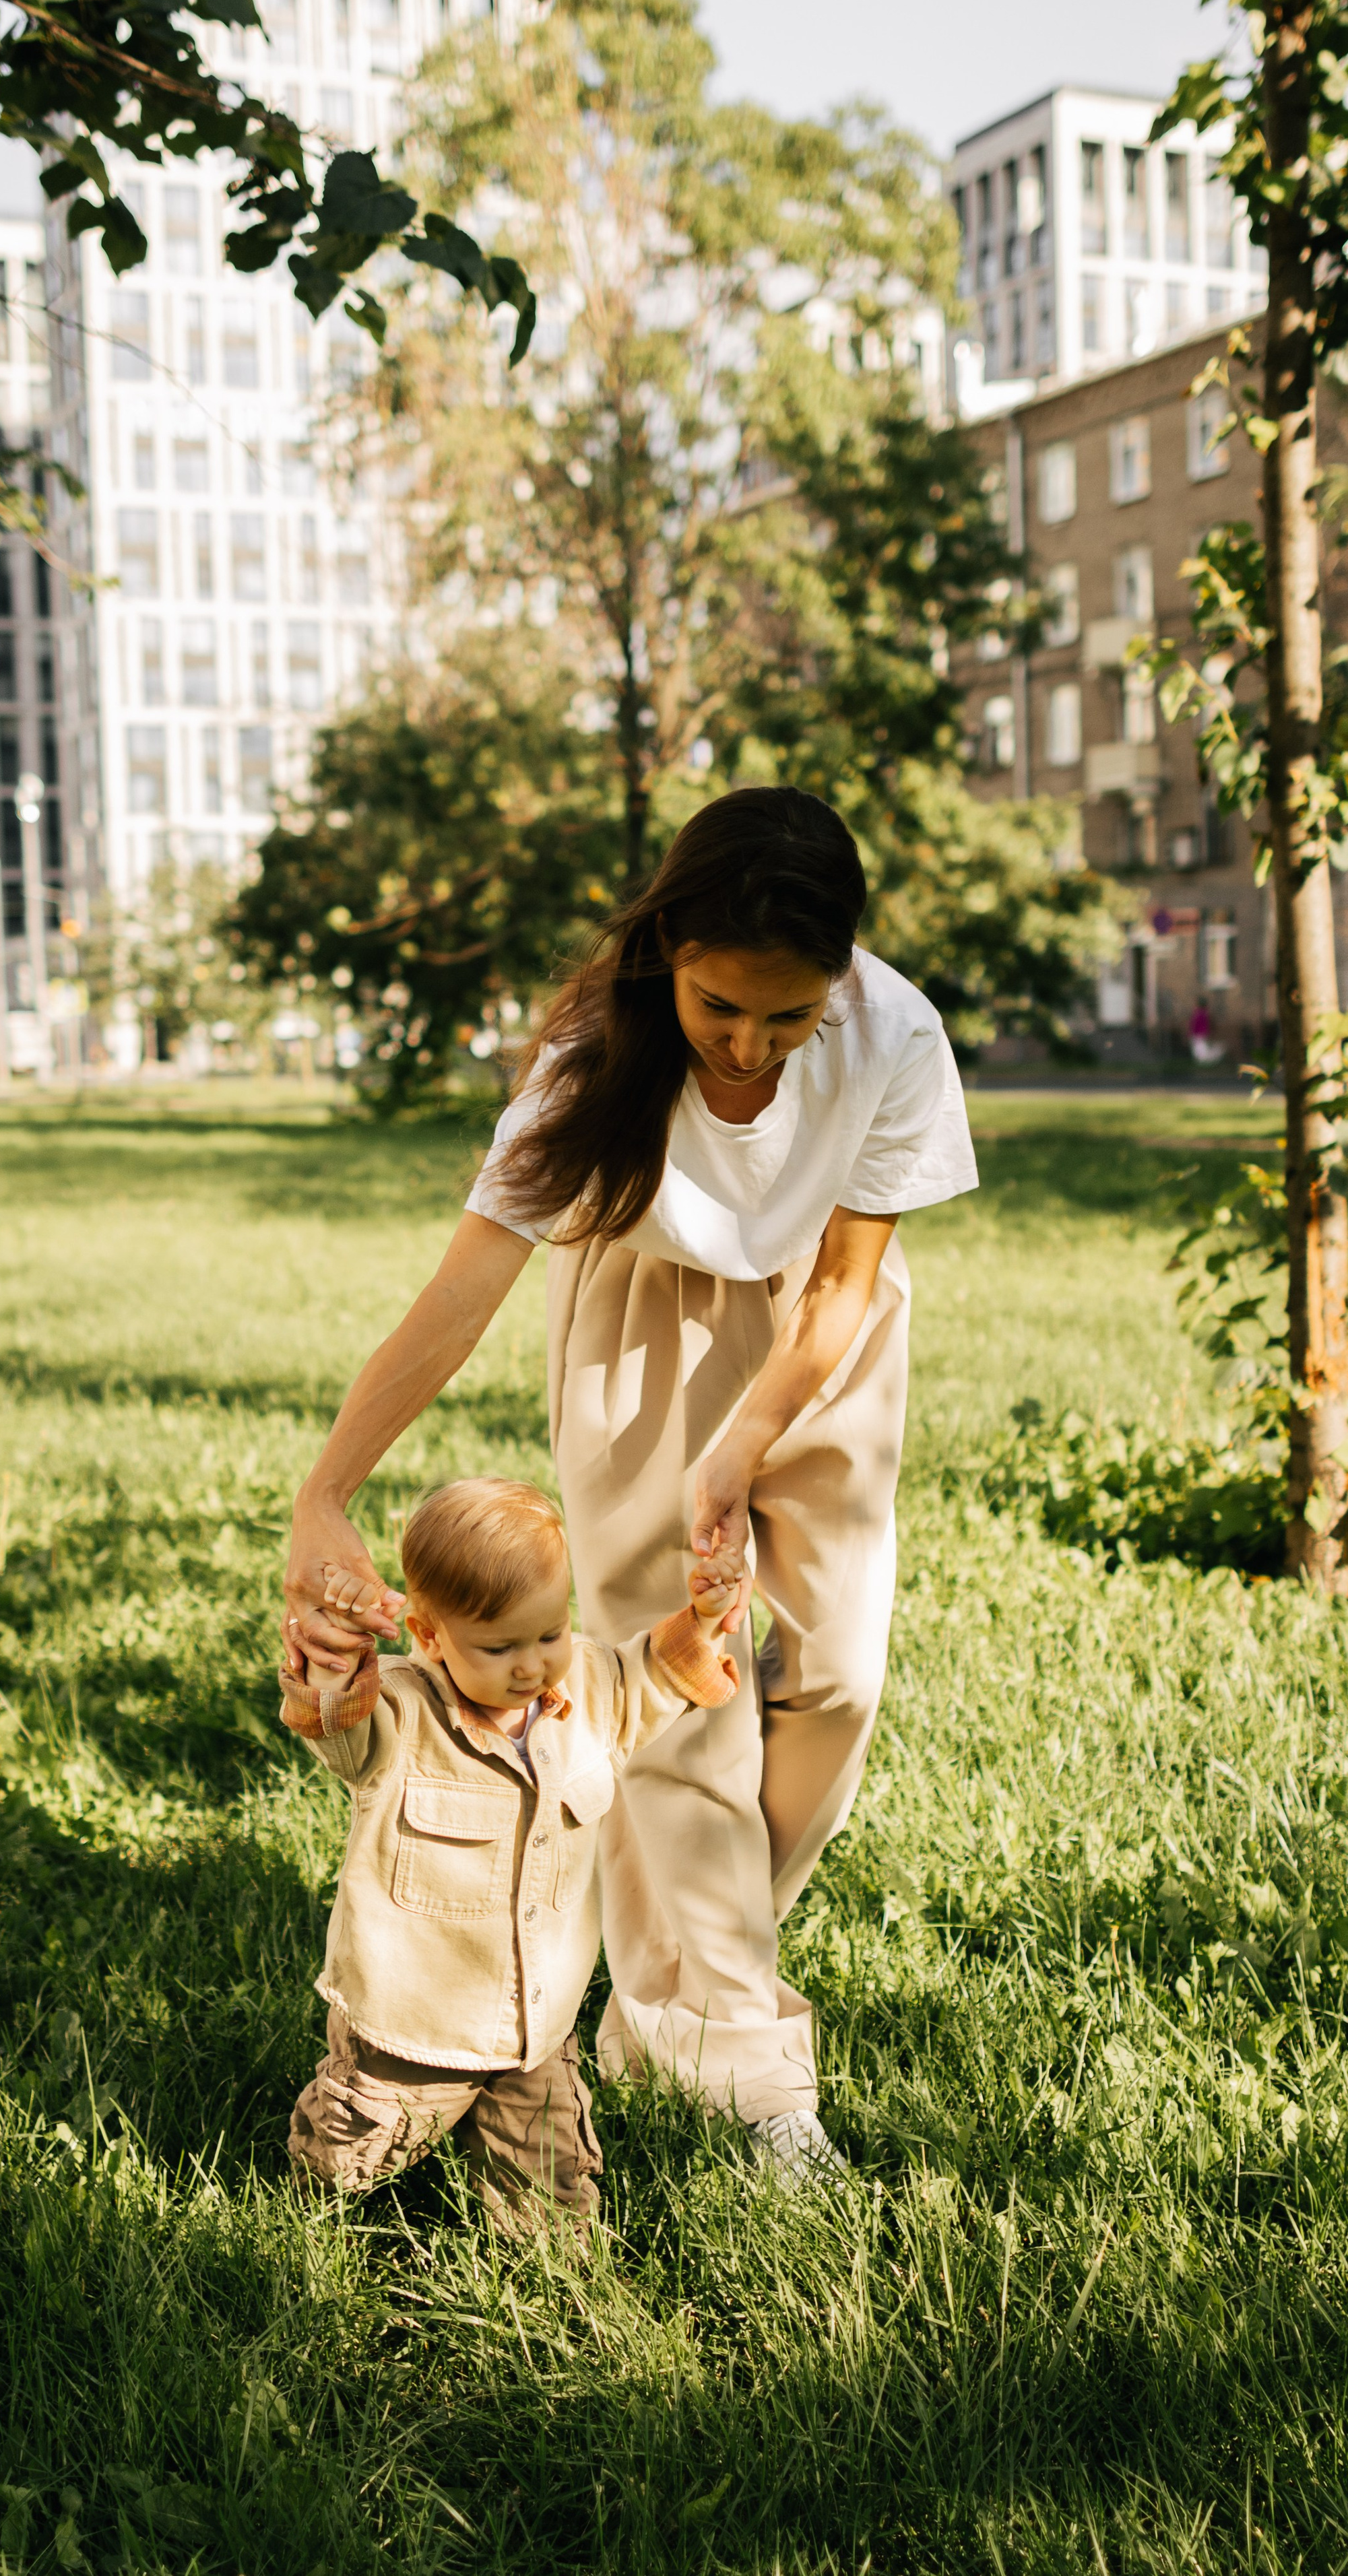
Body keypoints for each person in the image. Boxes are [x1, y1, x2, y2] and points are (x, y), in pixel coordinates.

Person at [282, 786, 978, 2171]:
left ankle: (667, 1972)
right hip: (645, 1322)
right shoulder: (591, 1055)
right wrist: (325, 1492)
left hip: (823, 1336)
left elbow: (840, 1286)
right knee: (684, 1711)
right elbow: (459, 1296)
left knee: (837, 1672)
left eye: (788, 1016)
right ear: (667, 949)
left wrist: (746, 1439)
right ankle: (741, 2062)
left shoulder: (891, 1033)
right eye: (722, 1006)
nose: (749, 1045)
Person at [282, 1476, 743, 2226]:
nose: (531, 1666)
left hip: (537, 2026)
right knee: (349, 2160)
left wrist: (706, 1619)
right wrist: (331, 1668)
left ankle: (552, 2260)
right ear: (429, 1637)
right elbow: (339, 1729)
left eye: (549, 1634)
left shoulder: (590, 1687)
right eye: (498, 1648)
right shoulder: (399, 1712)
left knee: (552, 2200)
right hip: (414, 2024)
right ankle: (308, 2193)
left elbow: (654, 1676)